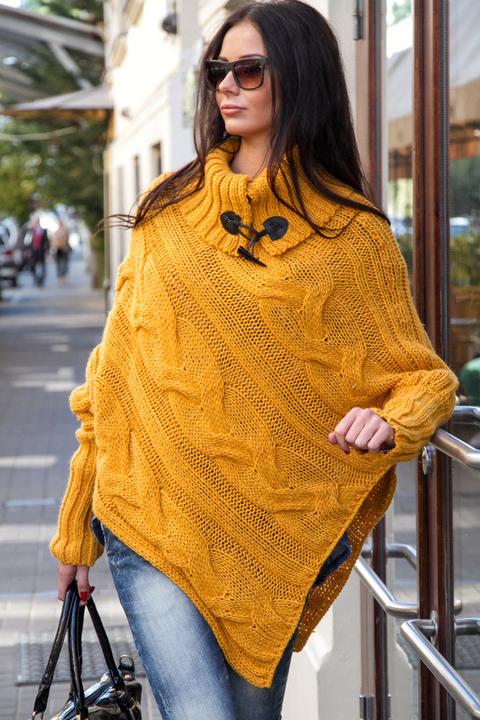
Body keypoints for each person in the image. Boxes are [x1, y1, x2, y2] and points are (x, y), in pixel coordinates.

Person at [50, 2, 459, 718]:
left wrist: (393, 422)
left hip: (273, 537)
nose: (225, 86)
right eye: (218, 70)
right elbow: (113, 372)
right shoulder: (167, 212)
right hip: (152, 516)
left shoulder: (352, 236)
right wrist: (77, 515)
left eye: (248, 70)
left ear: (300, 77)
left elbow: (422, 376)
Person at [28, 216, 49, 287]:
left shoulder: (43, 230)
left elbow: (46, 241)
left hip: (41, 251)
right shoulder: (30, 231)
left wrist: (46, 250)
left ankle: (41, 280)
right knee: (32, 266)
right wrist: (27, 250)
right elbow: (27, 241)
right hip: (33, 251)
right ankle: (36, 278)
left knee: (42, 266)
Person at [50, 218, 71, 284]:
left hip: (64, 249)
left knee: (64, 263)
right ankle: (60, 276)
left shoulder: (66, 231)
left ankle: (63, 276)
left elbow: (67, 240)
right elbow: (53, 241)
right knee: (58, 263)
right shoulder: (56, 232)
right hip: (58, 249)